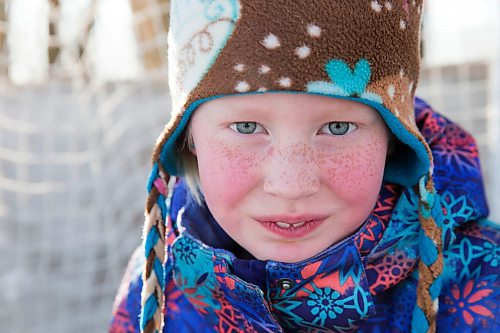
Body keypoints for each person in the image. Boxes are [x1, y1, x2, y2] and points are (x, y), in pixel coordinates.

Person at [109, 1, 499, 332]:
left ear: (394, 139)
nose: (291, 184)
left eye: (337, 127)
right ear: (189, 140)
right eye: (247, 127)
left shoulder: (484, 281)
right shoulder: (160, 277)